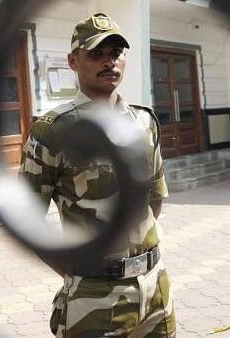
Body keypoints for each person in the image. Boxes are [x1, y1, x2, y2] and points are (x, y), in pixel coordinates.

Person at [19, 13, 175, 337]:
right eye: (97, 53)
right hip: (94, 298)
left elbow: (154, 200)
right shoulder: (52, 130)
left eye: (116, 53)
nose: (109, 62)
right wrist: (81, 272)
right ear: (73, 61)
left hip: (155, 287)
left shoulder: (143, 122)